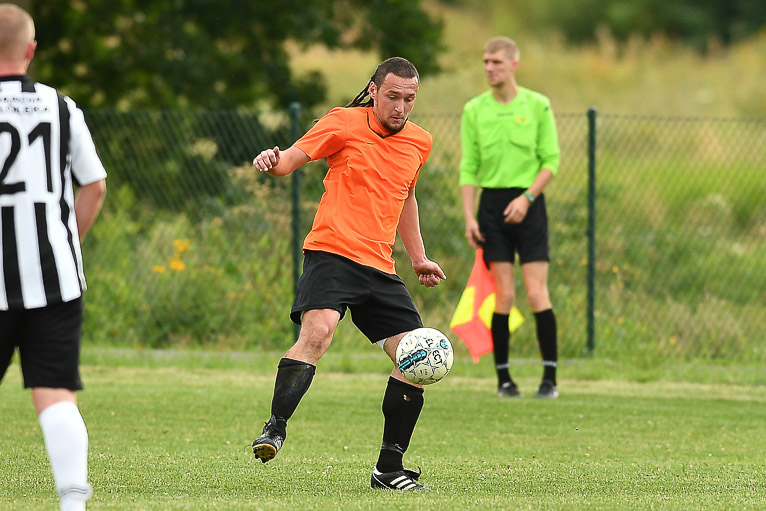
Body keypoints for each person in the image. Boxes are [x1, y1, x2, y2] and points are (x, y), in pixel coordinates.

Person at [251, 56, 445, 491]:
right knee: (318, 332)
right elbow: (289, 161)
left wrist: (418, 257)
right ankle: (275, 428)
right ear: (373, 90)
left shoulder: (420, 142)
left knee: (415, 358)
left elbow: (406, 196)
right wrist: (272, 160)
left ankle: (388, 470)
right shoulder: (343, 122)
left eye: (409, 99)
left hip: (379, 266)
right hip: (332, 253)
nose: (400, 107)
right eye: (392, 96)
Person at [0, 4, 107, 511]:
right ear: (31, 50)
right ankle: (72, 502)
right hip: (55, 276)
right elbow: (94, 185)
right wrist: (67, 244)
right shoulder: (60, 106)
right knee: (55, 392)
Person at [459, 37, 561, 399]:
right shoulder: (474, 110)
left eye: (497, 62)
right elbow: (469, 167)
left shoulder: (537, 105)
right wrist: (469, 217)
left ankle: (549, 379)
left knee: (536, 293)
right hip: (491, 207)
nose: (490, 68)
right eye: (486, 62)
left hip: (529, 205)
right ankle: (504, 380)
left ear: (514, 65)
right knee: (504, 294)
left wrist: (527, 198)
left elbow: (551, 161)